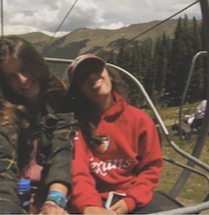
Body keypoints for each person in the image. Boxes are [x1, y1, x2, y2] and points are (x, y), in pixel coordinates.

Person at [0, 36, 76, 214]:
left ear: (36, 64)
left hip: (51, 191)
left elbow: (62, 151)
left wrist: (54, 201)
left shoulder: (61, 101)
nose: (22, 80)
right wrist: (1, 207)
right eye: (11, 77)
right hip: (11, 195)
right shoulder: (2, 114)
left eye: (24, 69)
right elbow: (0, 167)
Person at [67, 53, 163, 214]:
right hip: (91, 199)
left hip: (129, 197)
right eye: (83, 77)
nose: (92, 77)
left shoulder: (139, 120)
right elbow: (77, 171)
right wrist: (89, 205)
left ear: (109, 75)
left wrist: (131, 200)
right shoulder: (75, 124)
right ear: (78, 90)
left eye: (96, 69)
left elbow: (151, 167)